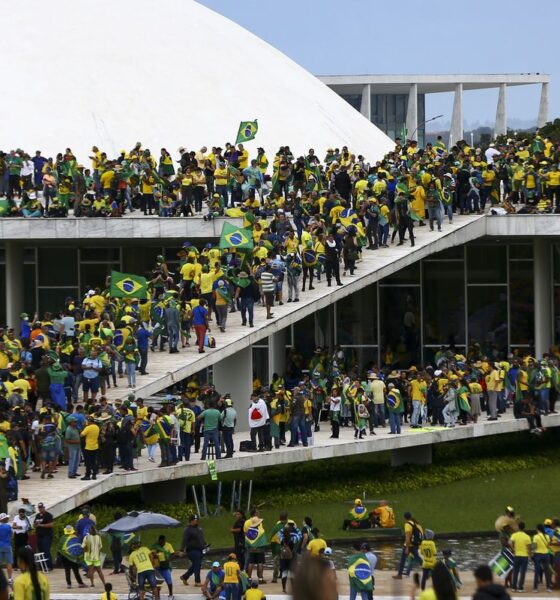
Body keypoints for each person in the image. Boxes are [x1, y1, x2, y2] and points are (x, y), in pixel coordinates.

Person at [394, 512, 423, 579]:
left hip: (409, 545)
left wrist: (407, 547)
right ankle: (429, 572)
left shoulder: (407, 524)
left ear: (405, 518)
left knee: (402, 560)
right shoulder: (416, 524)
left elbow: (407, 537)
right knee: (418, 558)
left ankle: (399, 575)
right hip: (415, 544)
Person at [57, 525, 87, 589]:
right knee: (76, 570)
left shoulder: (62, 537)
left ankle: (69, 584)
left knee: (67, 571)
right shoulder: (75, 537)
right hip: (73, 557)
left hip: (65, 556)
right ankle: (80, 583)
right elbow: (78, 548)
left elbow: (59, 548)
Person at [180, 515, 206, 586]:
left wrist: (205, 545)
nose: (197, 520)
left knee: (196, 565)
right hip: (192, 550)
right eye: (195, 519)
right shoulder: (188, 529)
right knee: (197, 564)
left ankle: (185, 577)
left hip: (200, 549)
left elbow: (201, 538)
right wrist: (182, 550)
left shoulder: (199, 528)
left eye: (197, 519)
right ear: (191, 520)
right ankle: (197, 581)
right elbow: (184, 540)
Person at [244, 511, 267, 584]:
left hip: (251, 549)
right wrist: (258, 546)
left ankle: (249, 578)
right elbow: (264, 541)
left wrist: (251, 546)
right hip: (260, 549)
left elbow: (246, 542)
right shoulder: (261, 531)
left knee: (251, 563)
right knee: (260, 563)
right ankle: (260, 578)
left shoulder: (248, 532)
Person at [151, 534, 177, 600]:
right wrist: (155, 555)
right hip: (157, 566)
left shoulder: (168, 545)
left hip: (166, 566)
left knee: (169, 580)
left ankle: (171, 594)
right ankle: (157, 595)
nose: (162, 543)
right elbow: (151, 554)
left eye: (163, 542)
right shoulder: (155, 546)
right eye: (161, 542)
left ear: (165, 541)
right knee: (157, 581)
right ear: (159, 541)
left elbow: (173, 554)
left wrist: (168, 560)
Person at [509, 521, 531, 592]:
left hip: (517, 555)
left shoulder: (514, 535)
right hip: (524, 556)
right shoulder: (527, 536)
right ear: (524, 528)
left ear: (518, 527)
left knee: (515, 571)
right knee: (523, 572)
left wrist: (513, 549)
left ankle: (514, 587)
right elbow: (529, 548)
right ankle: (520, 587)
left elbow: (510, 543)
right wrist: (529, 556)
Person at [532, 523, 553, 592]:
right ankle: (548, 588)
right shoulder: (547, 536)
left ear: (537, 529)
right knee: (547, 572)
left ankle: (535, 588)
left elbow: (534, 547)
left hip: (538, 555)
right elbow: (549, 545)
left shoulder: (535, 536)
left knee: (537, 571)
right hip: (546, 555)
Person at [33, 503, 54, 570]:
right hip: (39, 535)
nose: (40, 509)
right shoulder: (38, 515)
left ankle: (49, 565)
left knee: (46, 550)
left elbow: (51, 524)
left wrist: (41, 525)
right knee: (40, 550)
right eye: (39, 508)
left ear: (44, 508)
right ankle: (42, 565)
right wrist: (35, 525)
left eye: (41, 508)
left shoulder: (48, 515)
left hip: (47, 535)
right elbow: (34, 524)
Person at [80, 415, 100, 480]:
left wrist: (84, 427)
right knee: (94, 461)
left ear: (89, 421)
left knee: (88, 462)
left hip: (88, 447)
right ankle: (94, 474)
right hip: (95, 446)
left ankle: (87, 475)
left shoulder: (88, 428)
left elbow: (81, 435)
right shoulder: (97, 427)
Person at [0, 514, 13, 585]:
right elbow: (11, 535)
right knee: (9, 562)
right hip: (7, 545)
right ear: (4, 519)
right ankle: (10, 578)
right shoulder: (8, 526)